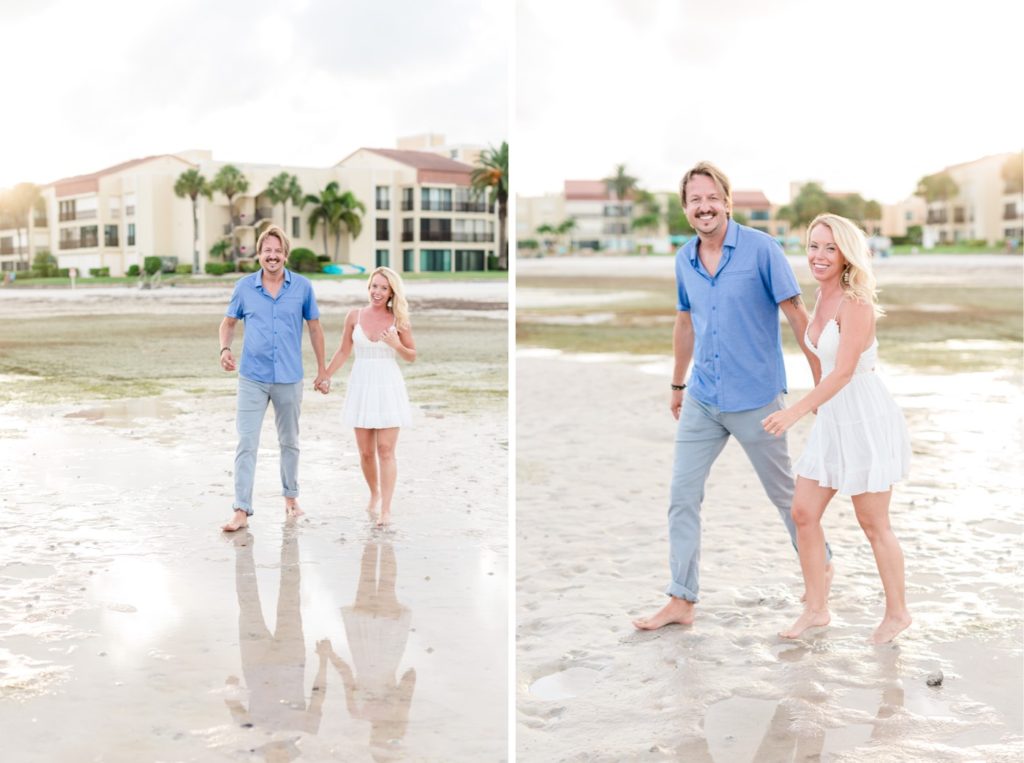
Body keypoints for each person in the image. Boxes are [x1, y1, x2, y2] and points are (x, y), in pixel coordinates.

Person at [633, 161, 831, 631]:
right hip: (703, 396)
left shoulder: (762, 250)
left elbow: (797, 315)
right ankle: (682, 600)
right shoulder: (684, 259)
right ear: (686, 209)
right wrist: (678, 384)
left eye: (711, 197)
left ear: (727, 201)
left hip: (757, 400)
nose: (704, 207)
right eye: (694, 200)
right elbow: (685, 322)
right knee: (682, 496)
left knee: (787, 499)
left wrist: (822, 384)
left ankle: (821, 573)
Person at [762, 213, 912, 643]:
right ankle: (816, 609)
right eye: (813, 245)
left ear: (847, 254)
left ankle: (898, 613)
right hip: (833, 416)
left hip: (864, 416)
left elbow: (844, 371)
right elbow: (823, 362)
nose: (819, 255)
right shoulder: (819, 295)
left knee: (873, 522)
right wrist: (816, 401)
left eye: (830, 247)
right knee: (803, 512)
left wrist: (795, 410)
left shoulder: (856, 303)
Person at [219, 225, 326, 532]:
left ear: (285, 254)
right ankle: (241, 509)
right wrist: (224, 349)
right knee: (246, 442)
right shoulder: (243, 288)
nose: (273, 256)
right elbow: (227, 324)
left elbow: (315, 329)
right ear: (259, 254)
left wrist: (322, 370)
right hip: (252, 377)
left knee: (289, 442)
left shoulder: (303, 287)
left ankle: (291, 499)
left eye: (278, 251)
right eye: (267, 251)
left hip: (290, 377)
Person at [316, 267, 416, 527]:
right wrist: (325, 374)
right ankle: (374, 493)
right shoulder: (354, 316)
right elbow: (343, 352)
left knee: (386, 450)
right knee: (365, 453)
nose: (377, 292)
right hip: (361, 384)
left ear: (392, 291)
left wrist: (396, 344)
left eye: (383, 288)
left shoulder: (399, 319)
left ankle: (386, 509)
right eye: (374, 286)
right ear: (368, 287)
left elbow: (411, 355)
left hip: (388, 385)